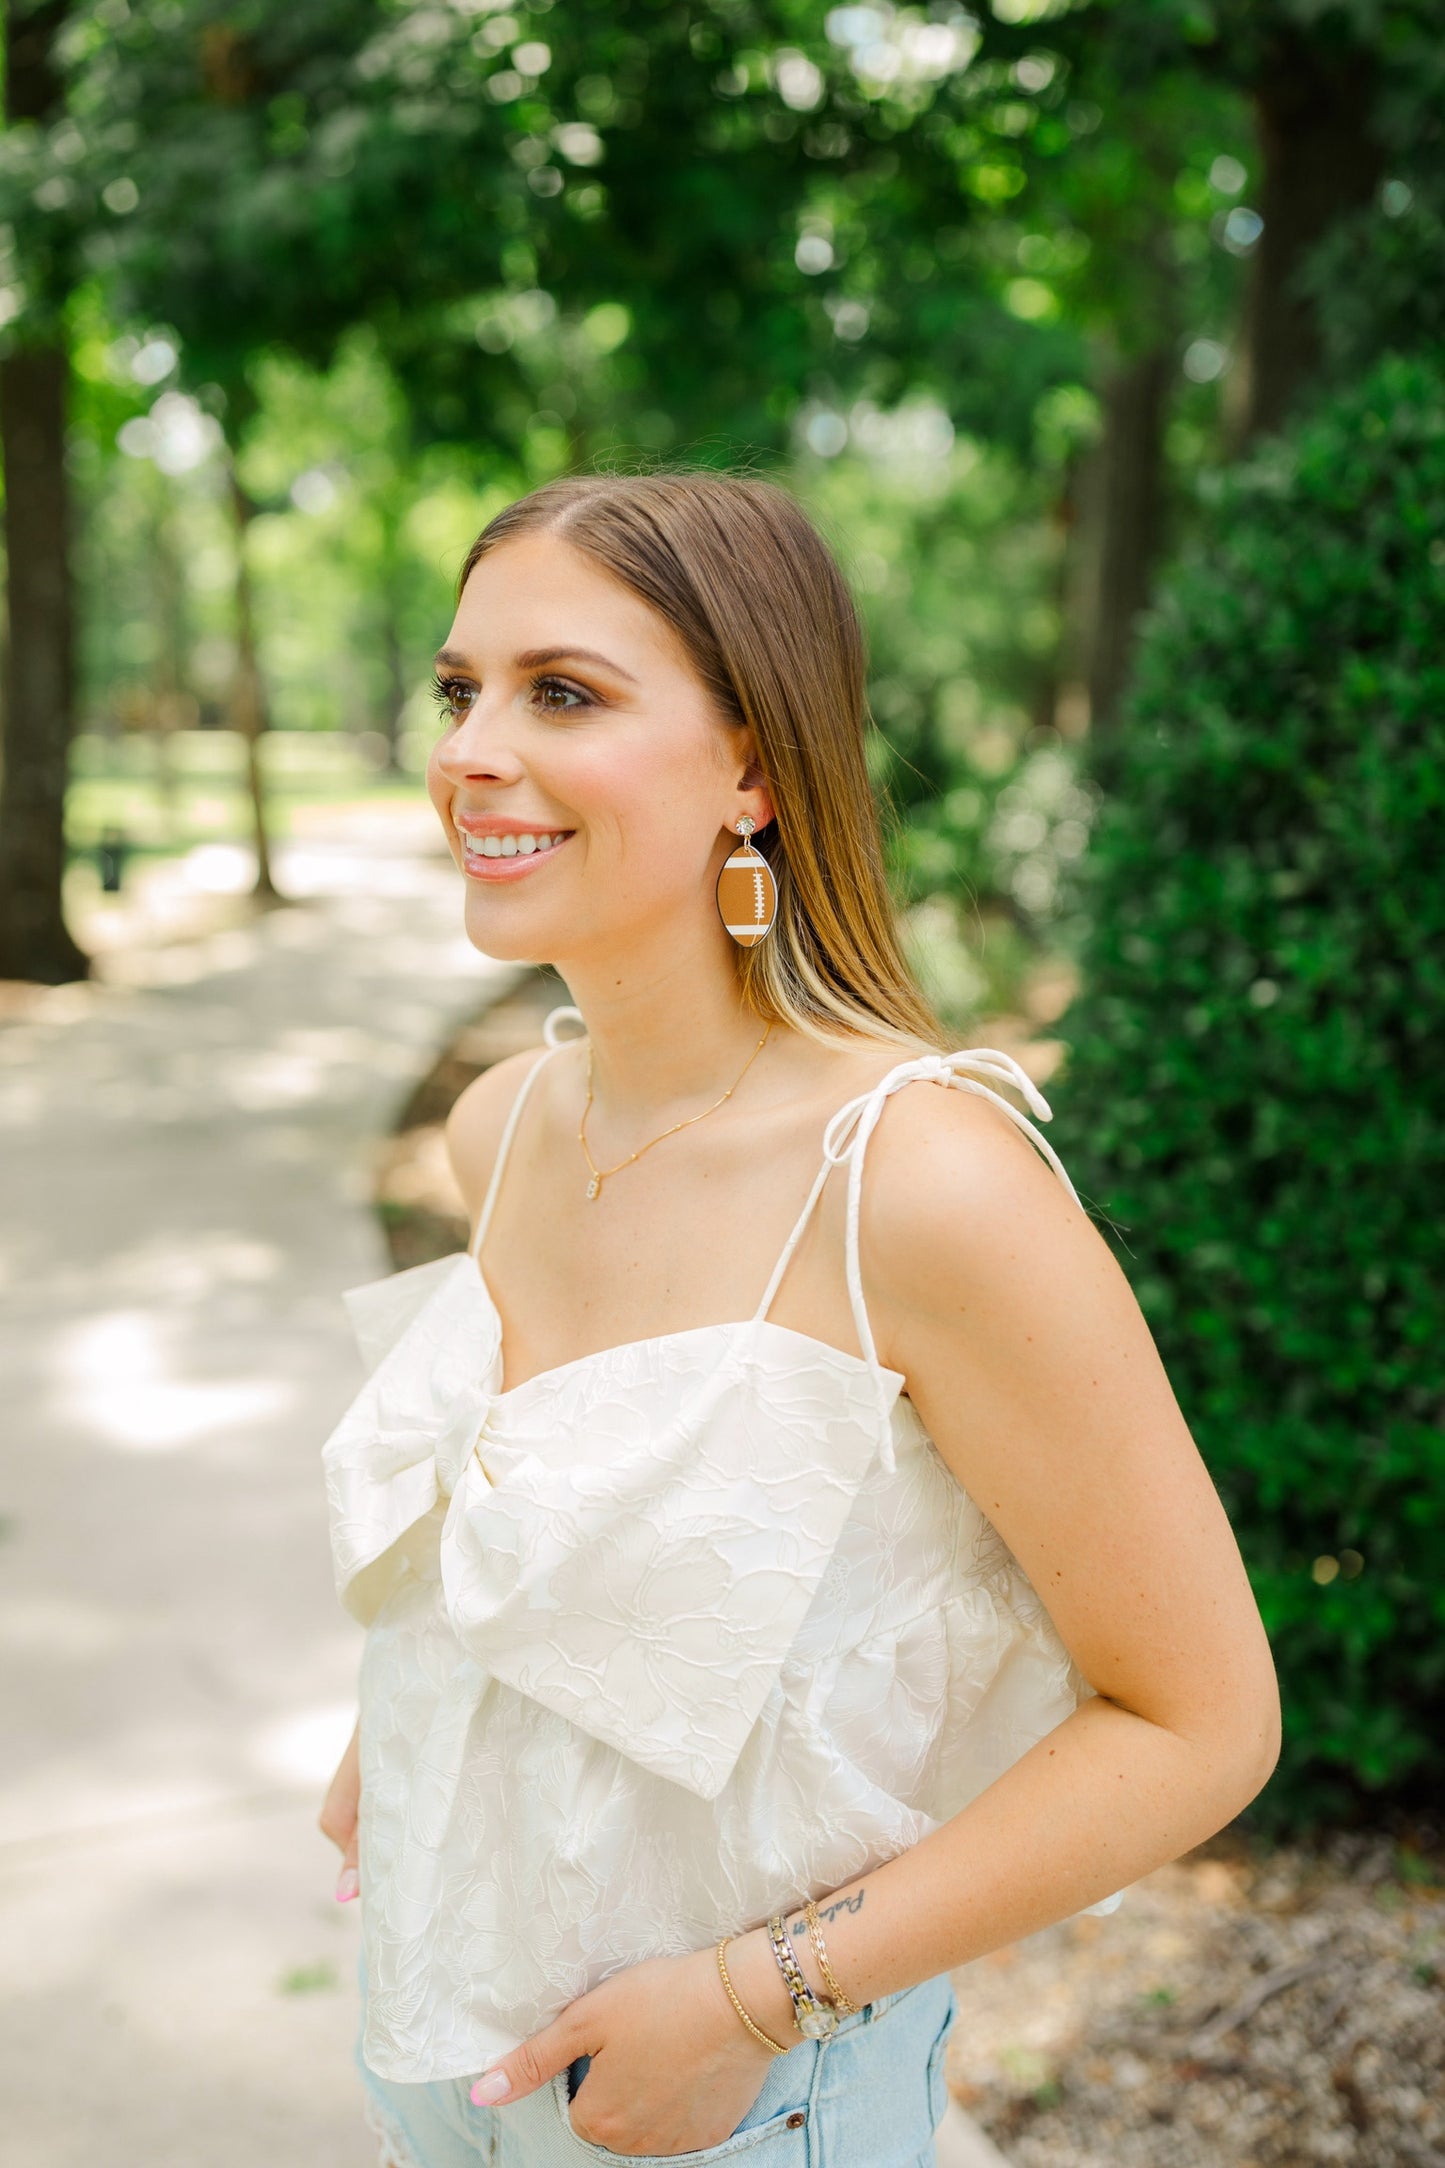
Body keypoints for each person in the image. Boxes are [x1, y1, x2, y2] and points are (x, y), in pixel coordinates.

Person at [318, 471, 1281, 2168]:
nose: (471, 748)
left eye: (564, 693)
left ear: (752, 768)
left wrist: (749, 2004)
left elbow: (1201, 1722)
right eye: (458, 690)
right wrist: (392, 1731)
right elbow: (535, 1524)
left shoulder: (915, 1185)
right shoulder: (504, 1135)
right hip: (431, 2058)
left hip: (739, 2112)